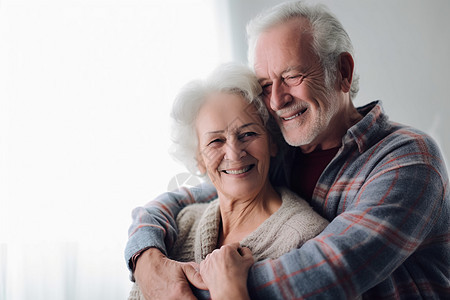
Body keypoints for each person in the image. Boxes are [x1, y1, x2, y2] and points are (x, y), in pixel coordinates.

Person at [125, 1, 450, 299]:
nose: (277, 100)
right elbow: (192, 196)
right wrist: (147, 260)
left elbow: (330, 271)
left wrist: (209, 284)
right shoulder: (283, 145)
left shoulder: (408, 159)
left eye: (292, 76)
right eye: (266, 85)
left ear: (343, 72)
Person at [127, 63, 329, 300]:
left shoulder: (308, 239)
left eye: (248, 134)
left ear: (272, 142)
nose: (234, 153)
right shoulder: (182, 224)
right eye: (216, 142)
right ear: (198, 158)